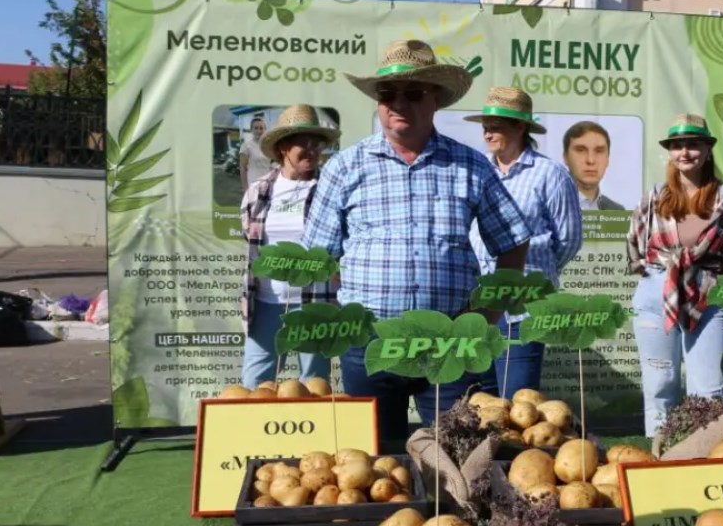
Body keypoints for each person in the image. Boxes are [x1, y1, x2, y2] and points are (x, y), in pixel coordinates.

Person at [303, 40, 531, 440]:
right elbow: (320, 256)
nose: (398, 103)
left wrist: (482, 319)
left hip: (452, 341)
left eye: (413, 93)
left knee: (461, 462)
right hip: (371, 343)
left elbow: (513, 243)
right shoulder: (345, 166)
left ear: (436, 100)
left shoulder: (470, 164)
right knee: (375, 469)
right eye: (387, 94)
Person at [627, 116, 723, 436]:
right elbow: (634, 244)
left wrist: (706, 278)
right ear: (670, 152)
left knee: (709, 388)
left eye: (693, 145)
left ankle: (707, 455)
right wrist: (662, 274)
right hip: (658, 292)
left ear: (708, 149)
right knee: (660, 385)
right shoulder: (654, 196)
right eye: (677, 146)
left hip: (708, 295)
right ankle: (659, 458)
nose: (685, 152)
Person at [466, 86, 583, 396]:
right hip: (478, 301)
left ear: (520, 126)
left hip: (525, 306)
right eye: (485, 127)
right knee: (478, 400)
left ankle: (519, 449)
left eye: (496, 126)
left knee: (518, 399)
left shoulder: (550, 174)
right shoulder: (477, 171)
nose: (488, 133)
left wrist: (532, 272)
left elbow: (569, 239)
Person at [239, 105, 340, 388]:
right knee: (256, 381)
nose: (311, 150)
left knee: (315, 383)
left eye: (316, 144)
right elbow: (251, 242)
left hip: (315, 303)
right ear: (283, 147)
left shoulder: (329, 191)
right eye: (302, 143)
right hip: (267, 300)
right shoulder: (258, 191)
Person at [563, 121, 624, 211]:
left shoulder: (617, 211)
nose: (590, 160)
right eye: (580, 150)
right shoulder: (545, 207)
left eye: (599, 151)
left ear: (607, 159)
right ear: (565, 157)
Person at [239, 113, 274, 195]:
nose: (259, 131)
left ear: (265, 129)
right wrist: (245, 189)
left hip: (267, 183)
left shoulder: (268, 146)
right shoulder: (246, 146)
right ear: (251, 129)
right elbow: (243, 168)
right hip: (253, 183)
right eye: (256, 128)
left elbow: (272, 164)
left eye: (261, 128)